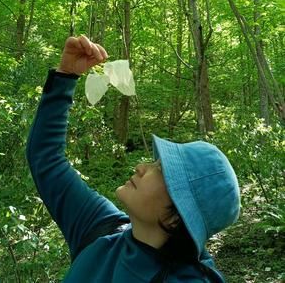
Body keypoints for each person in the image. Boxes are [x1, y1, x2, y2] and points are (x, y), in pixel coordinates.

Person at [26, 35, 240, 282]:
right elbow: (47, 159)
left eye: (160, 171)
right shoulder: (103, 228)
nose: (140, 167)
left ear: (177, 217)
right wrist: (66, 75)